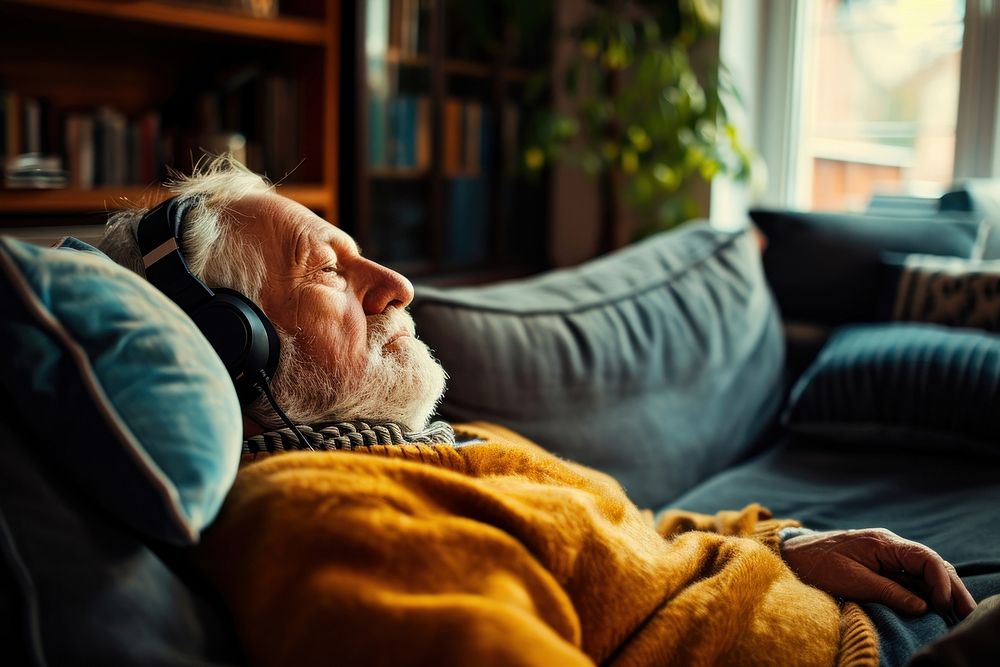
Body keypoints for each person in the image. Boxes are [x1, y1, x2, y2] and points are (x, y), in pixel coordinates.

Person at [100, 156, 980, 666]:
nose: (399, 286)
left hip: (846, 610)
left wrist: (786, 544)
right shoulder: (323, 512)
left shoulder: (435, 450)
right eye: (329, 269)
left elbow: (630, 539)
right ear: (232, 341)